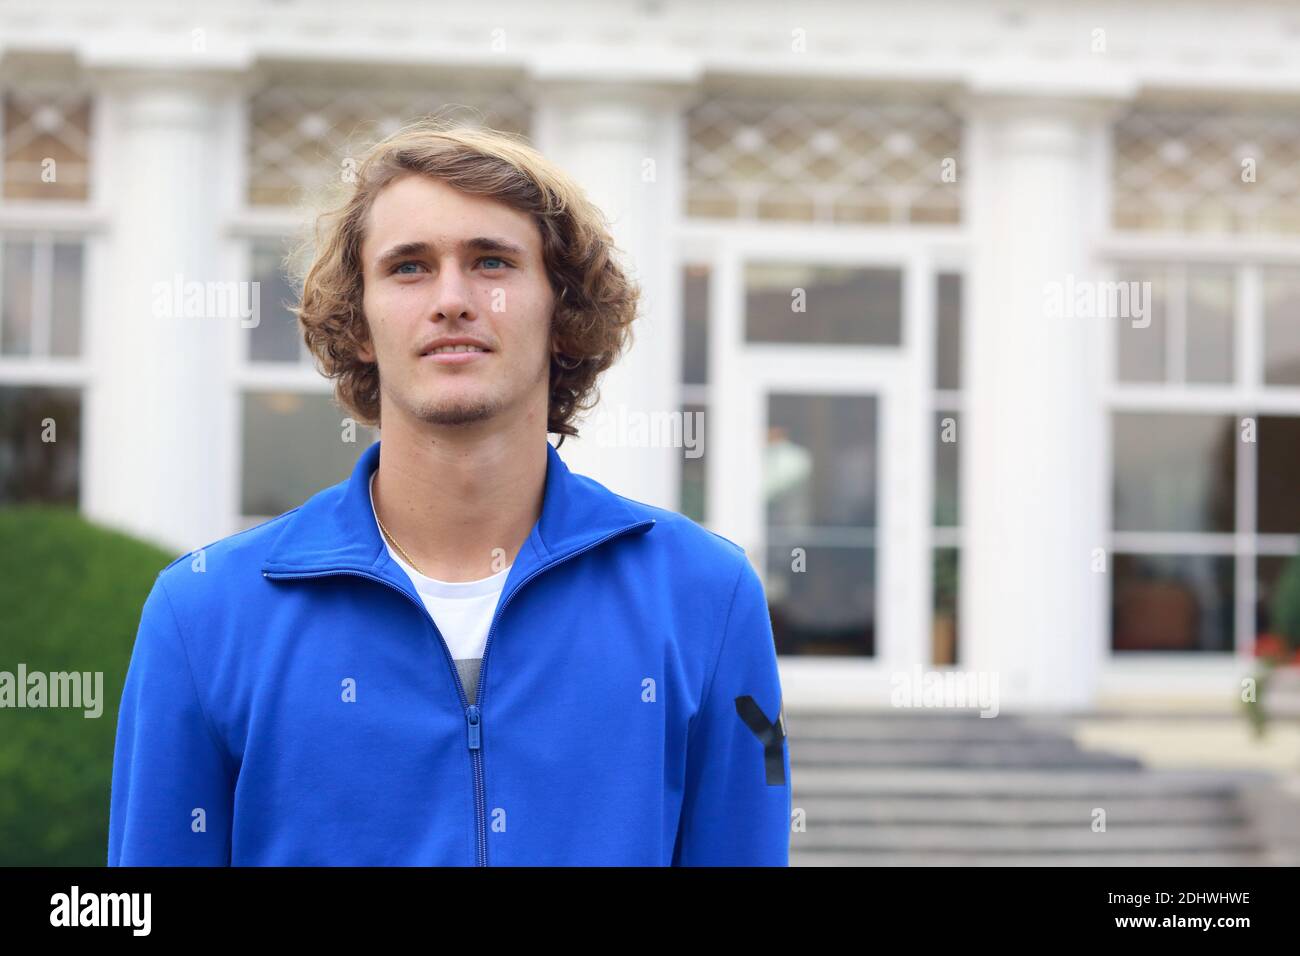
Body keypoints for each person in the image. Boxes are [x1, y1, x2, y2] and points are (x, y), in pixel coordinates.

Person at [107, 120, 791, 866]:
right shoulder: (203, 614)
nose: (453, 299)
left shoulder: (707, 597)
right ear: (359, 322)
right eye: (409, 267)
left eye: (492, 262)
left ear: (560, 314)